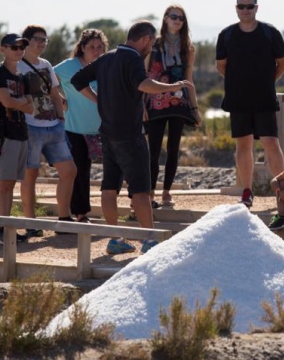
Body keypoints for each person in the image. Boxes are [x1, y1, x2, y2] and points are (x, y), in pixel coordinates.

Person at [71, 21, 193, 255]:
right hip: (130, 134)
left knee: (109, 187)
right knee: (140, 190)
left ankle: (115, 238)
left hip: (107, 133)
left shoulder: (107, 57)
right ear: (145, 39)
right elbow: (144, 84)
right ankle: (149, 240)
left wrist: (98, 100)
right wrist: (172, 87)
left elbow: (78, 81)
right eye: (152, 42)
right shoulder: (133, 58)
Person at [216, 0, 284, 207]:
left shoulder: (270, 33)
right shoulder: (226, 35)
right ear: (236, 8)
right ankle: (247, 191)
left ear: (257, 7)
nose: (245, 10)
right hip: (238, 99)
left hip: (264, 97)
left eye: (249, 6)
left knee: (271, 143)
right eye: (241, 6)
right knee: (243, 144)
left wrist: (267, 81)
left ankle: (283, 190)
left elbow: (282, 62)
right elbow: (221, 66)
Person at [18, 25, 76, 237]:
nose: (42, 43)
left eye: (45, 40)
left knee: (69, 170)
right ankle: (31, 222)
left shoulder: (46, 64)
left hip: (53, 125)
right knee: (30, 175)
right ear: (26, 41)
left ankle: (64, 218)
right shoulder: (17, 66)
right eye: (37, 39)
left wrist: (61, 119)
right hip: (30, 126)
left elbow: (53, 91)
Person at [145, 5, 201, 208]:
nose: (177, 21)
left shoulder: (188, 47)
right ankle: (149, 192)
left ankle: (166, 192)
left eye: (181, 18)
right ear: (166, 19)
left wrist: (195, 108)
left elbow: (188, 78)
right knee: (153, 149)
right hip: (155, 100)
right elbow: (144, 74)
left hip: (179, 101)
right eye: (174, 17)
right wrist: (141, 104)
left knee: (173, 149)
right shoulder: (153, 44)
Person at [54, 28, 108, 223]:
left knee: (111, 171)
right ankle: (81, 213)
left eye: (100, 47)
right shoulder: (69, 66)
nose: (96, 50)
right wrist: (59, 98)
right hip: (74, 128)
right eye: (92, 47)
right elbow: (45, 80)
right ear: (82, 48)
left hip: (101, 129)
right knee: (79, 171)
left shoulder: (105, 65)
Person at [0, 33, 35, 244]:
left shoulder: (22, 77)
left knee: (12, 182)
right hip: (4, 133)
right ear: (3, 49)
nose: (18, 51)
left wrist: (18, 101)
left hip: (20, 132)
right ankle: (3, 230)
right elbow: (6, 102)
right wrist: (20, 101)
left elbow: (32, 108)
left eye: (21, 47)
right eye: (14, 47)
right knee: (5, 183)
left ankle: (6, 228)